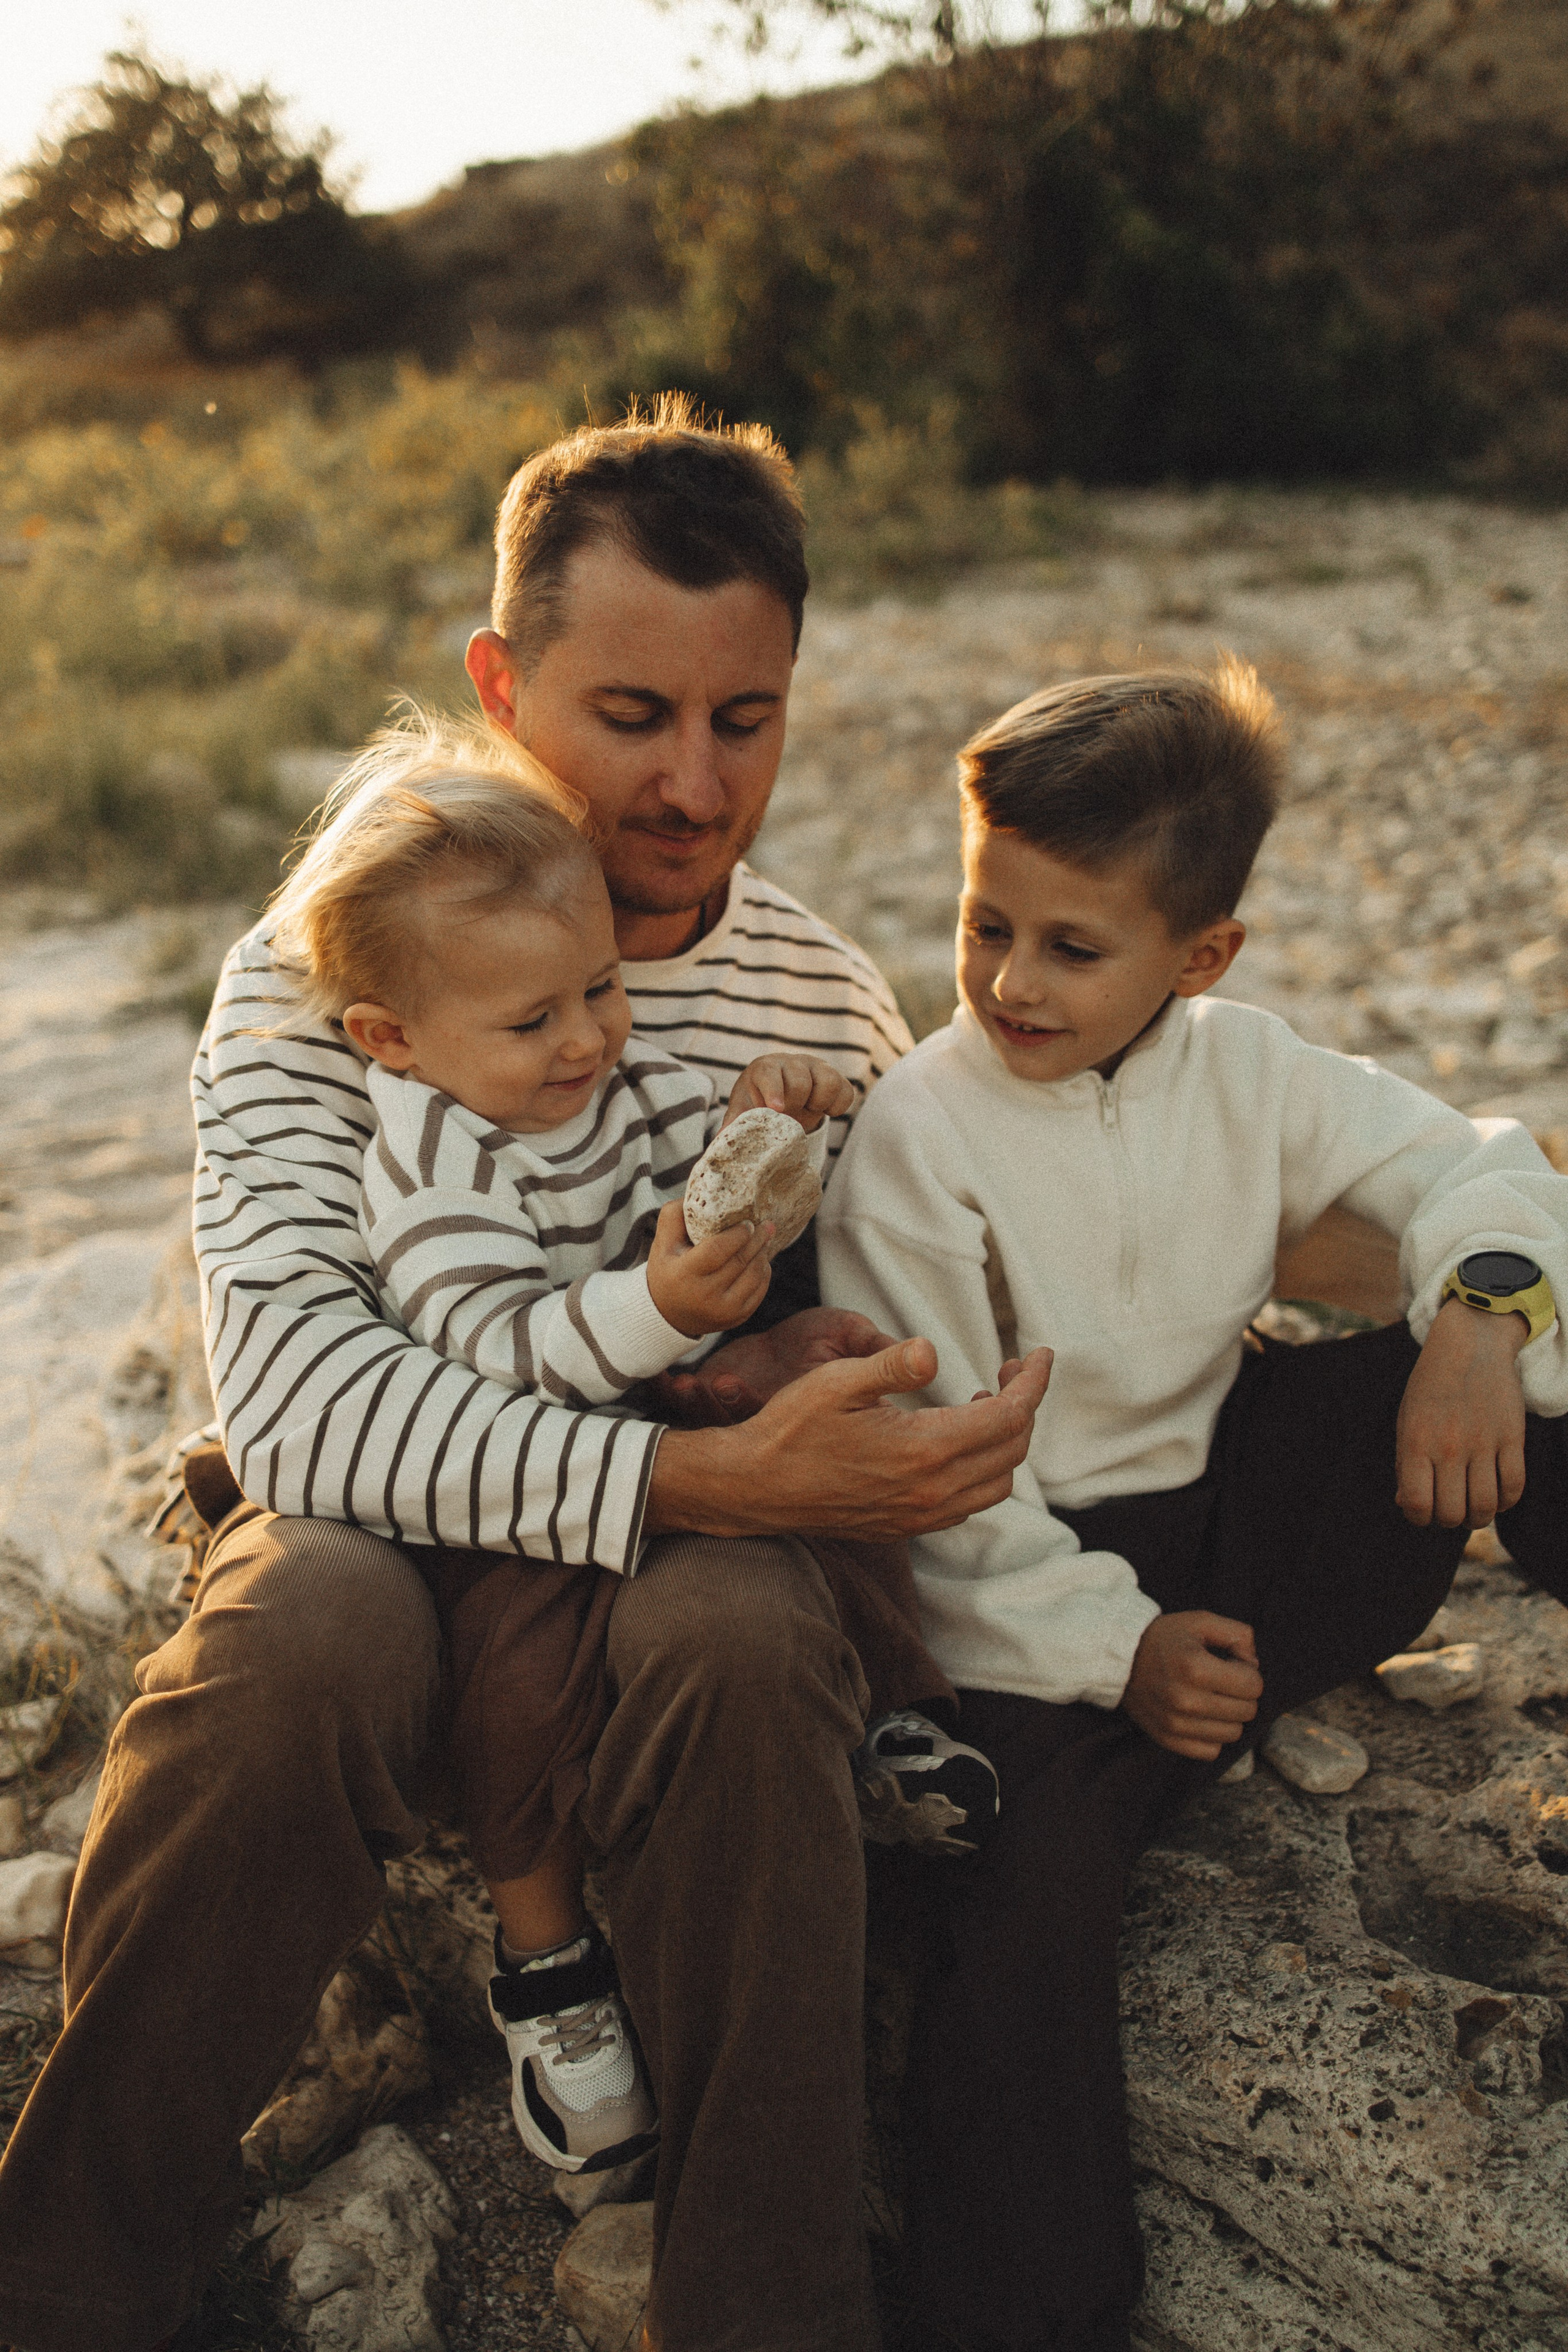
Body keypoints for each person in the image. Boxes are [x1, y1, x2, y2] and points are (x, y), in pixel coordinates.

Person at [0, 402, 1049, 2352]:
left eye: (745, 721)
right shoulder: (334, 961)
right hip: (388, 1527)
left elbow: (904, 1294)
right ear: (502, 680)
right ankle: (61, 2279)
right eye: (630, 712)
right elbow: (309, 1411)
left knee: (745, 1646)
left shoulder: (823, 994)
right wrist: (690, 1482)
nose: (689, 781)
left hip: (688, 1553)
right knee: (293, 1629)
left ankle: (769, 2307)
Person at [816, 655, 1568, 2352]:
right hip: (1033, 1594)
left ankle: (1228, 1673)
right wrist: (1125, 1652)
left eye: (1072, 948)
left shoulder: (1252, 1068)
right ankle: (1033, 2318)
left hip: (1243, 1515)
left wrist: (1470, 1321)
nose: (1008, 979)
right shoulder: (918, 1144)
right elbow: (929, 1492)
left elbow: (1486, 1161)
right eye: (982, 923)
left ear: (1201, 956)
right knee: (1023, 1910)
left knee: (1521, 1350)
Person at [266, 709, 986, 2177]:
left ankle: (894, 1715)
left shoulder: (609, 1074)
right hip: (506, 1487)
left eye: (601, 989)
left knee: (825, 1459)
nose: (588, 1038)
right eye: (534, 1023)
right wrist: (661, 1306)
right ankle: (547, 1969)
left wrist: (758, 1127)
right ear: (392, 1040)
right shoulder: (430, 1156)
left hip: (652, 1398)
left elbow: (687, 1166)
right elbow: (496, 1348)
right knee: (514, 1695)